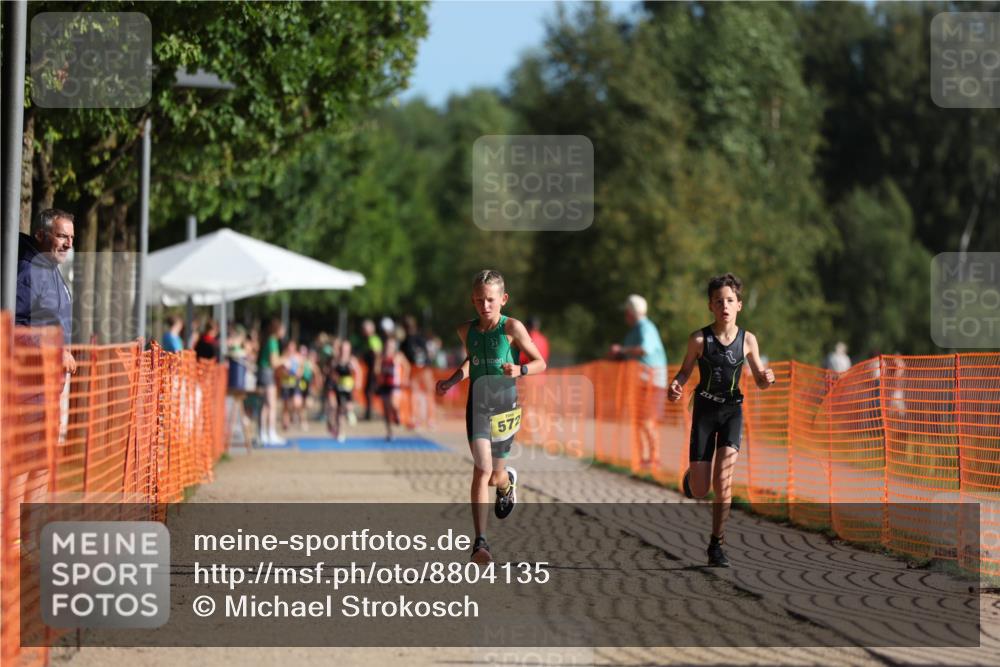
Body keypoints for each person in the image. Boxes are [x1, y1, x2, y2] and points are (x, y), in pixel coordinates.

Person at [436, 270, 547, 564]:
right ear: (472, 301)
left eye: (490, 300)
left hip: (506, 407)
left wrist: (520, 370)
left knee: (495, 475)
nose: (484, 306)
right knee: (481, 470)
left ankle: (506, 482)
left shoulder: (512, 328)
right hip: (478, 406)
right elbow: (471, 361)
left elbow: (540, 363)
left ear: (503, 299)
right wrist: (452, 380)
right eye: (479, 300)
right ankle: (480, 543)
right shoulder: (466, 330)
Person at [668, 273, 775, 568]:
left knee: (724, 481)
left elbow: (760, 380)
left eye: (730, 300)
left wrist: (768, 378)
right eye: (718, 301)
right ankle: (693, 478)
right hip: (704, 410)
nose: (724, 306)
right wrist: (675, 386)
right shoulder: (699, 339)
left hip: (731, 412)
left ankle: (717, 544)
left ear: (739, 305)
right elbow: (684, 372)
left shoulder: (748, 340)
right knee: (702, 489)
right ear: (710, 306)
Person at [609, 294, 668, 467]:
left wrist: (621, 349)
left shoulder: (645, 327)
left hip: (652, 383)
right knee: (642, 421)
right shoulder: (636, 329)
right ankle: (645, 459)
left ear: (630, 312)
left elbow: (644, 349)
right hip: (643, 383)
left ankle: (654, 459)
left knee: (648, 421)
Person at [16, 208, 77, 374]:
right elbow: (13, 326)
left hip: (46, 383)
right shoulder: (29, 272)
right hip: (27, 383)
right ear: (40, 235)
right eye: (62, 236)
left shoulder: (51, 268)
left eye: (72, 238)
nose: (69, 244)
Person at [257, 319, 287, 446]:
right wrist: (285, 360)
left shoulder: (269, 340)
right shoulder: (273, 341)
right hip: (267, 373)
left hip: (263, 372)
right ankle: (270, 432)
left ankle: (263, 433)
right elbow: (274, 362)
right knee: (271, 404)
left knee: (265, 405)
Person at [326, 340, 360, 442]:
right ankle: (336, 429)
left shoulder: (352, 360)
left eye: (347, 349)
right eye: (343, 349)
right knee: (335, 408)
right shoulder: (335, 361)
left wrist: (357, 382)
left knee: (345, 408)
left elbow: (358, 371)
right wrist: (333, 378)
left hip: (348, 389)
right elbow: (330, 374)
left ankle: (341, 427)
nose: (344, 351)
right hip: (336, 388)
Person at [401, 315, 432, 428]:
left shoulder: (419, 338)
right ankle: (416, 419)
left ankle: (430, 419)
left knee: (427, 393)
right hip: (414, 370)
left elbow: (427, 353)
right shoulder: (405, 341)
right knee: (415, 395)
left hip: (424, 369)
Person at [377, 337, 405, 441]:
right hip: (384, 385)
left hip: (395, 385)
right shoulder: (382, 357)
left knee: (393, 404)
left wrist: (404, 379)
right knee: (386, 410)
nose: (389, 347)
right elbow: (378, 370)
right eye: (388, 345)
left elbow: (407, 367)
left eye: (391, 346)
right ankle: (390, 432)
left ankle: (396, 414)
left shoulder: (398, 356)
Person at [360, 319, 383, 421]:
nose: (363, 331)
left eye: (365, 328)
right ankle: (369, 412)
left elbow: (377, 354)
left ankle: (370, 413)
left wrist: (376, 368)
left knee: (370, 391)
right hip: (371, 369)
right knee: (368, 391)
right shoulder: (368, 339)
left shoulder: (372, 339)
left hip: (374, 370)